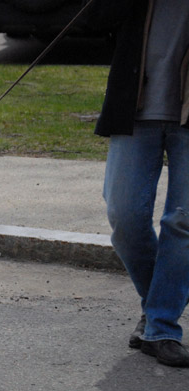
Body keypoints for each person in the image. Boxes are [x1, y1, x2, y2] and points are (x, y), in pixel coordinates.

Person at [95, 0, 189, 367]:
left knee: (183, 221)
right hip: (135, 105)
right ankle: (155, 309)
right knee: (124, 216)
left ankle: (162, 326)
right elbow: (96, 17)